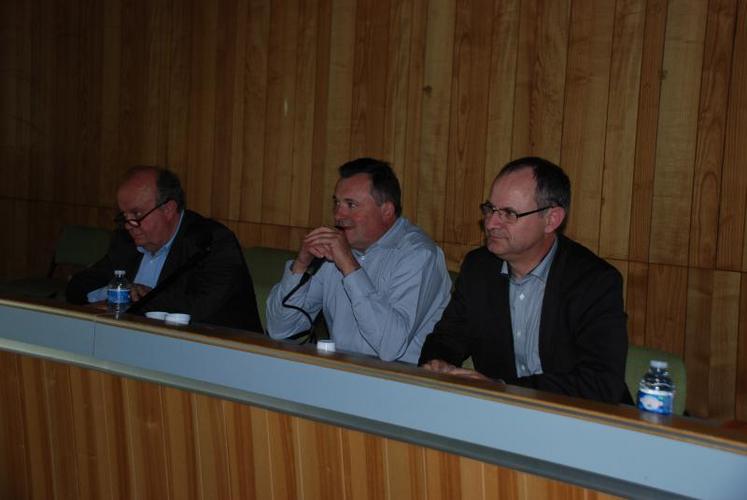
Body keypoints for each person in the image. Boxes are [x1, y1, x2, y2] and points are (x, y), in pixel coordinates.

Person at [419, 157, 631, 404]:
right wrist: (438, 365)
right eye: (490, 209)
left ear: (551, 219)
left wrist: (502, 388)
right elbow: (447, 338)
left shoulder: (594, 281)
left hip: (577, 420)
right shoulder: (479, 268)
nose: (490, 223)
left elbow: (600, 383)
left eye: (509, 213)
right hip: (500, 417)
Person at [265, 158, 451, 363]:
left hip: (401, 381)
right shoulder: (335, 250)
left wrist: (349, 267)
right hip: (342, 375)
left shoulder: (419, 255)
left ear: (386, 211)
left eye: (351, 205)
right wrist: (300, 265)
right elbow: (279, 329)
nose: (338, 214)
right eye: (336, 203)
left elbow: (390, 347)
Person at [66, 166, 263, 334]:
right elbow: (79, 286)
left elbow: (197, 309)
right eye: (123, 215)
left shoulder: (211, 242)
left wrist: (127, 301)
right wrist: (116, 291)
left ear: (168, 209)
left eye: (136, 214)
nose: (128, 224)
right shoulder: (126, 241)